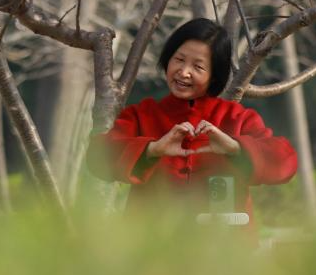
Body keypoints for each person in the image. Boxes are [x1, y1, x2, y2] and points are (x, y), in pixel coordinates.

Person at [86, 18, 298, 233]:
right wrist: (152, 149)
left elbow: (286, 163)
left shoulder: (237, 118)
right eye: (179, 59)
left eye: (198, 66)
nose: (184, 72)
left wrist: (235, 148)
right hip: (151, 244)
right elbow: (96, 158)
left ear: (214, 75)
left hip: (225, 245)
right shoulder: (142, 115)